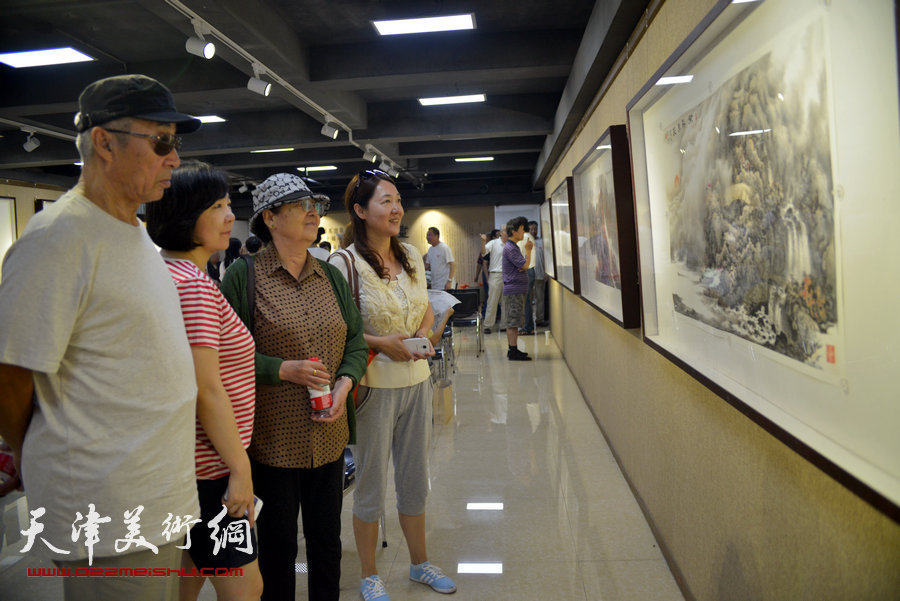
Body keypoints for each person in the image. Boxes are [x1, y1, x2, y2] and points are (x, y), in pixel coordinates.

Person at [0, 74, 201, 600]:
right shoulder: (58, 239)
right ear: (104, 142)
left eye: (175, 144)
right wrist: (33, 453)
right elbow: (12, 373)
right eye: (161, 142)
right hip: (107, 509)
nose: (174, 159)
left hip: (154, 497)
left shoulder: (134, 233)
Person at [221, 172, 368, 601]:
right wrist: (282, 369)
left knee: (327, 544)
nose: (312, 212)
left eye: (315, 206)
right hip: (271, 441)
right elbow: (223, 357)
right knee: (277, 549)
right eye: (299, 205)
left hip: (329, 434)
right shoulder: (243, 276)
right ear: (270, 217)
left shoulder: (330, 275)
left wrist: (345, 383)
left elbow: (355, 340)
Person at [328, 170, 456, 601]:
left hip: (418, 381)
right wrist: (382, 343)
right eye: (385, 201)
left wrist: (422, 334)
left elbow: (423, 307)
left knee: (415, 476)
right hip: (373, 385)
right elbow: (337, 330)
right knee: (370, 481)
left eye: (398, 200)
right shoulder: (344, 263)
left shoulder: (413, 257)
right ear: (361, 211)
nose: (396, 208)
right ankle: (369, 573)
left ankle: (420, 562)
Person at [145, 161, 263, 601]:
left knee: (189, 577)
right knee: (247, 589)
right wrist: (240, 468)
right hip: (211, 469)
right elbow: (205, 387)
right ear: (183, 215)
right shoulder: (191, 284)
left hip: (193, 464)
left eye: (229, 204)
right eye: (217, 206)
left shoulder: (173, 273)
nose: (231, 216)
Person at [502, 217, 533, 360]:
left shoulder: (512, 247)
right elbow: (524, 266)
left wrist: (522, 265)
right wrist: (528, 251)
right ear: (514, 232)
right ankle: (512, 351)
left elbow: (522, 266)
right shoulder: (510, 248)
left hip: (517, 289)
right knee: (513, 322)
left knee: (514, 322)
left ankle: (513, 349)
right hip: (514, 290)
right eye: (521, 230)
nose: (523, 232)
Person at [480, 228, 505, 333]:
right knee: (492, 301)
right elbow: (483, 252)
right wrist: (483, 241)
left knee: (506, 302)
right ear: (501, 233)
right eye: (505, 231)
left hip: (507, 276)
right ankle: (487, 325)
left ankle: (504, 325)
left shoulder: (511, 244)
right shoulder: (494, 243)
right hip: (495, 275)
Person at [517, 221, 539, 335]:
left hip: (525, 271)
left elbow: (520, 257)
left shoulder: (524, 238)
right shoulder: (530, 237)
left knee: (525, 301)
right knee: (528, 300)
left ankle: (527, 327)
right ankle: (529, 326)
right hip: (531, 270)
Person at [532, 221, 548, 326]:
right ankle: (526, 322)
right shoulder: (524, 242)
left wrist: (547, 272)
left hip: (540, 274)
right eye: (531, 229)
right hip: (527, 276)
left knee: (540, 299)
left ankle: (539, 319)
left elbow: (547, 258)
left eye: (535, 229)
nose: (533, 231)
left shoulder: (543, 242)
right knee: (527, 300)